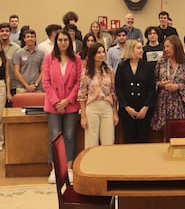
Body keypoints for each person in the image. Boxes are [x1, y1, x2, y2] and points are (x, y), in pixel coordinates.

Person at [42, 29, 82, 184]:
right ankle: (55, 170)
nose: (63, 42)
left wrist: (68, 100)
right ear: (55, 42)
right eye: (60, 40)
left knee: (70, 136)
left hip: (70, 104)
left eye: (66, 40)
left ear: (69, 42)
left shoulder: (76, 59)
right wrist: (56, 101)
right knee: (54, 136)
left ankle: (69, 168)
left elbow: (79, 82)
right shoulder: (48, 58)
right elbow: (46, 82)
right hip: (53, 105)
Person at [78, 43, 119, 148]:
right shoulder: (86, 72)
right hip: (92, 107)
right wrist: (83, 116)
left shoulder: (109, 70)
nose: (101, 54)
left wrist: (115, 112)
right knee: (91, 141)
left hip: (107, 107)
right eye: (98, 52)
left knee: (108, 141)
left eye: (103, 52)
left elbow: (113, 92)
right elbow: (82, 95)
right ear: (92, 55)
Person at [151, 35, 185, 131]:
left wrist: (178, 86)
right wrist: (161, 84)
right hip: (164, 103)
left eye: (168, 46)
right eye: (165, 47)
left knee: (181, 133)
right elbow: (154, 80)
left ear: (176, 47)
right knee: (165, 133)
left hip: (180, 104)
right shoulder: (161, 63)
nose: (165, 49)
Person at [115, 40, 155, 143]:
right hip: (127, 109)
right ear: (130, 49)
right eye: (138, 48)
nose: (141, 50)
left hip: (144, 109)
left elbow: (151, 88)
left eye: (141, 48)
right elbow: (118, 88)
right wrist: (126, 107)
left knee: (143, 138)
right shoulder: (122, 66)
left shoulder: (147, 66)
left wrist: (146, 107)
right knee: (129, 138)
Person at [13, 29, 45, 93]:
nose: (30, 39)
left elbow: (43, 71)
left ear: (35, 39)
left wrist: (35, 84)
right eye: (28, 37)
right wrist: (26, 86)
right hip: (22, 88)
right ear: (24, 39)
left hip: (37, 88)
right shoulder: (18, 53)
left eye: (32, 37)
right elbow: (16, 72)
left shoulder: (41, 53)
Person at [0, 22, 20, 106]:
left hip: (13, 85)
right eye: (2, 31)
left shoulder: (17, 48)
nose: (4, 33)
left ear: (10, 32)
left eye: (7, 31)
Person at [0, 42, 12, 151]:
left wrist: (8, 92)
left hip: (1, 86)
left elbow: (8, 77)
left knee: (0, 115)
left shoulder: (5, 60)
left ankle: (1, 141)